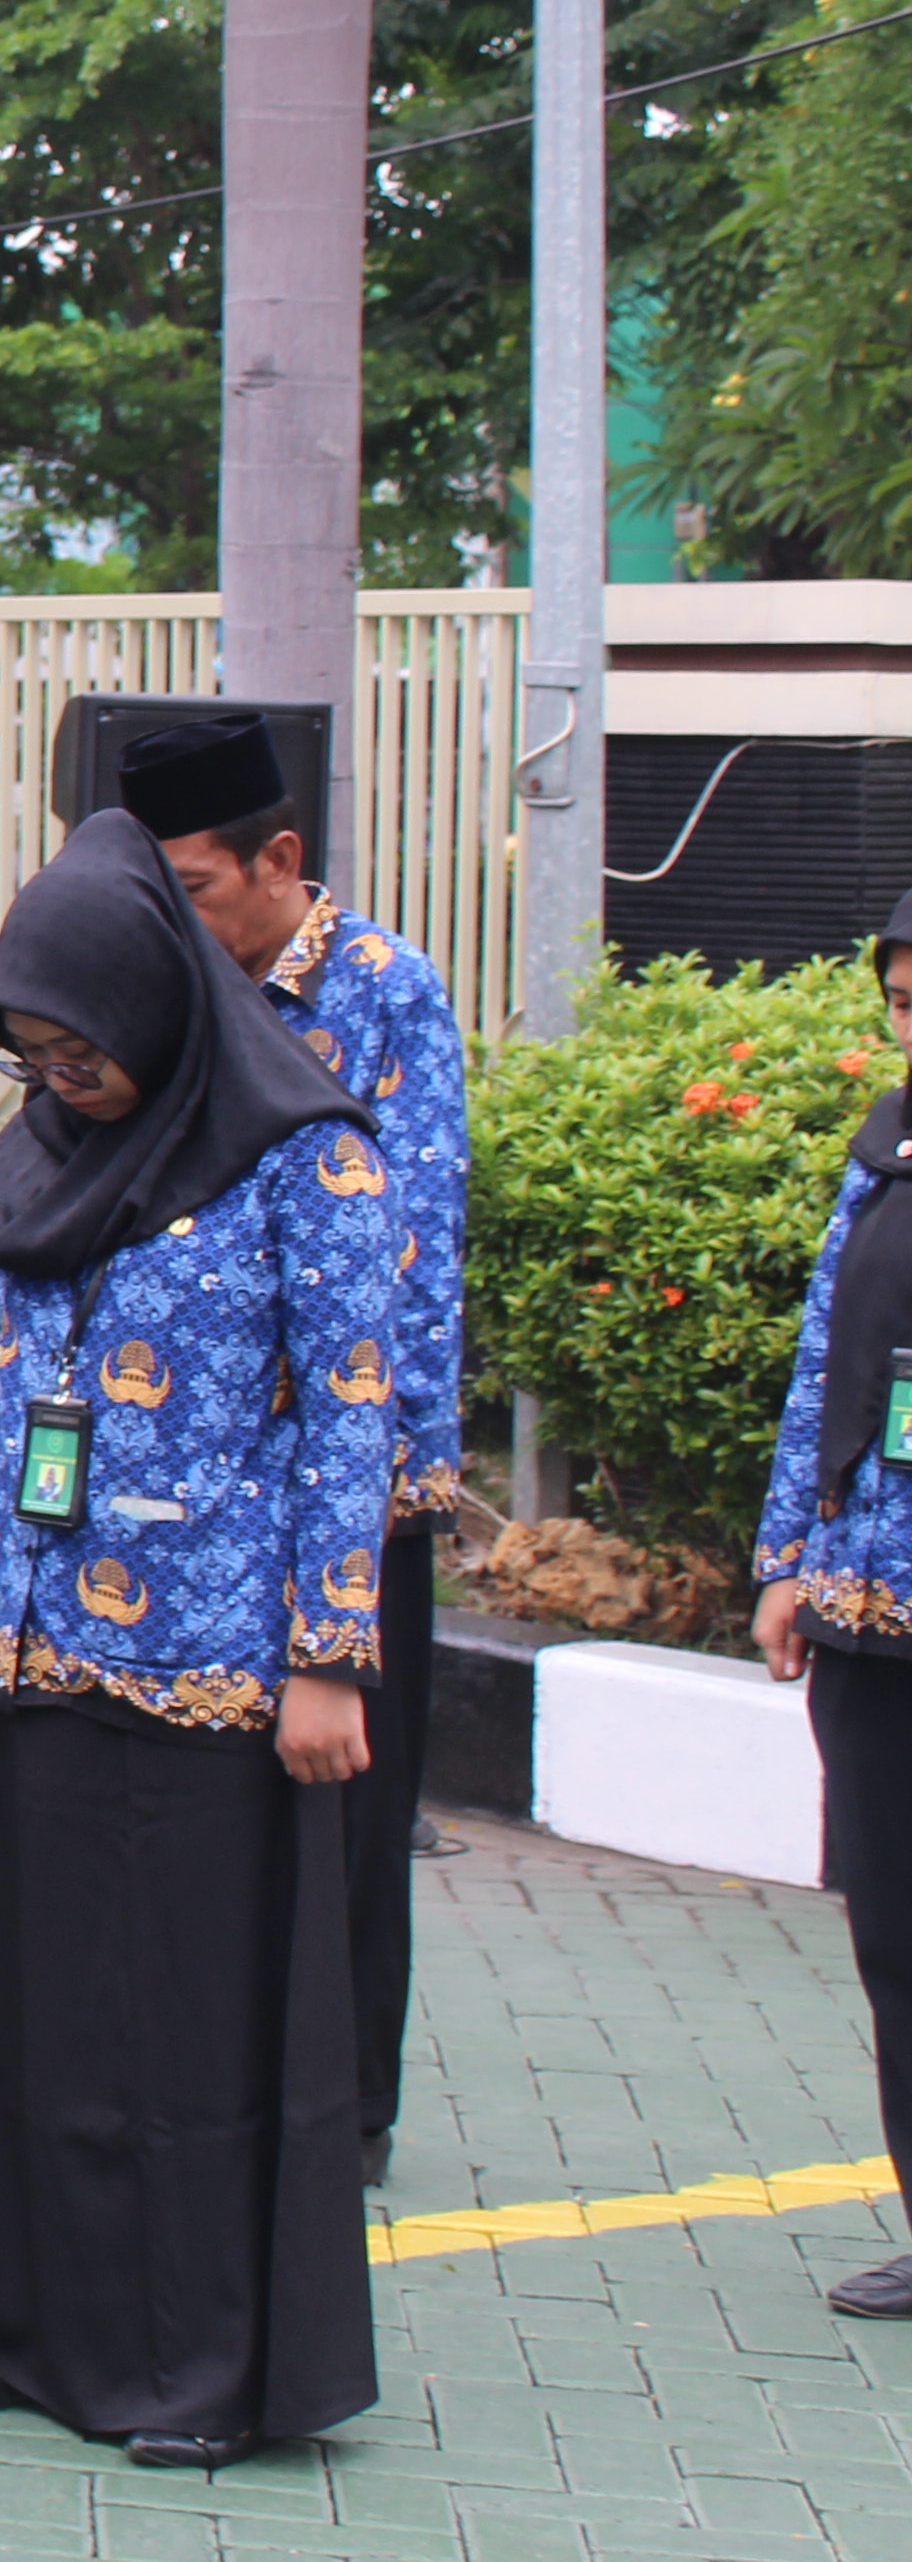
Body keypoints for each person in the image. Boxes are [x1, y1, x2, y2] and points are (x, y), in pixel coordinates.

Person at [0, 809, 393, 2469]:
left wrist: (328, 1651)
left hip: (215, 1656)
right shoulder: (39, 1157)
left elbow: (348, 1414)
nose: (59, 1078)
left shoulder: (306, 1155)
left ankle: (188, 2361)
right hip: (43, 1636)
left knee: (180, 2022)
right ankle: (14, 2324)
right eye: (28, 1051)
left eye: (83, 1047)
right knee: (36, 2007)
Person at [121, 710, 468, 2189]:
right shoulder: (173, 988)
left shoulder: (385, 992)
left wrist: (383, 1484)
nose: (177, 918)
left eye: (194, 886)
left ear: (279, 861)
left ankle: (347, 2111)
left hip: (344, 1476)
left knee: (346, 1811)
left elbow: (414, 1258)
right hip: (184, 1491)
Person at [755, 889, 912, 2323]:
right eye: (908, 1001)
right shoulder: (883, 1158)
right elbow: (823, 1374)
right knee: (895, 1931)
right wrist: (789, 1560)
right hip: (875, 1608)